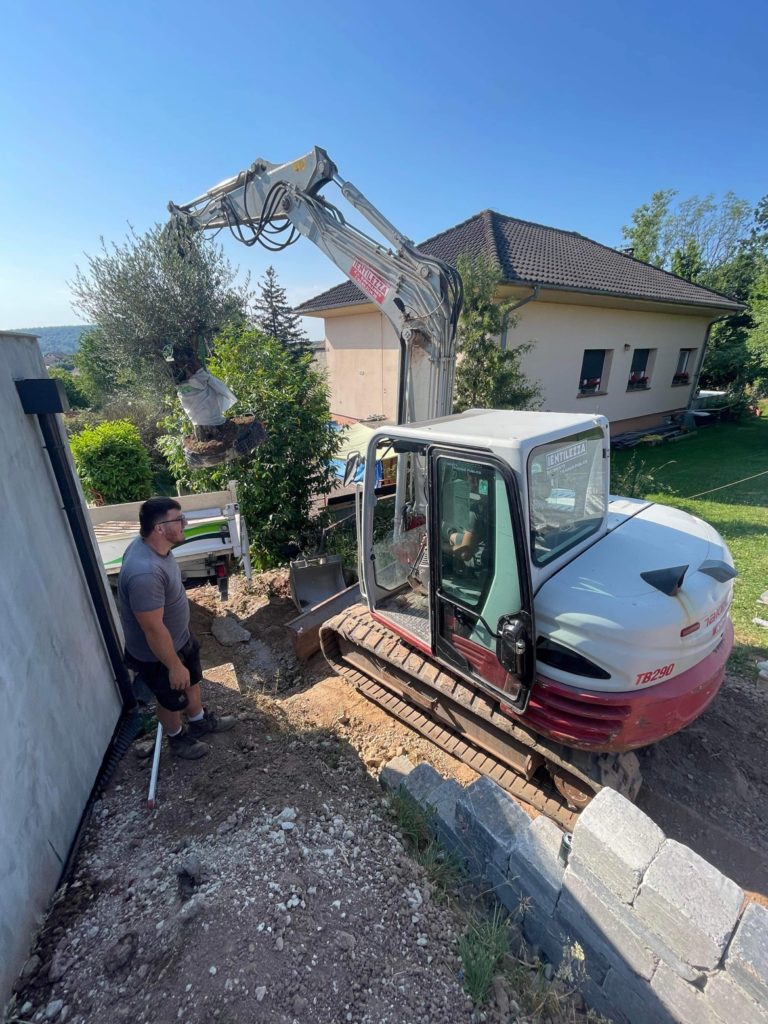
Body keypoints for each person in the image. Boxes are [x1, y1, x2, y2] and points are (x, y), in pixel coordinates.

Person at [117, 497, 235, 760]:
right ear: (159, 528)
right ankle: (177, 740)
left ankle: (199, 721)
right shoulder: (143, 572)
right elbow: (153, 629)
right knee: (170, 700)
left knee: (191, 682)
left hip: (179, 639)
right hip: (157, 654)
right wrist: (173, 665)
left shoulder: (157, 550)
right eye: (178, 519)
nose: (185, 523)